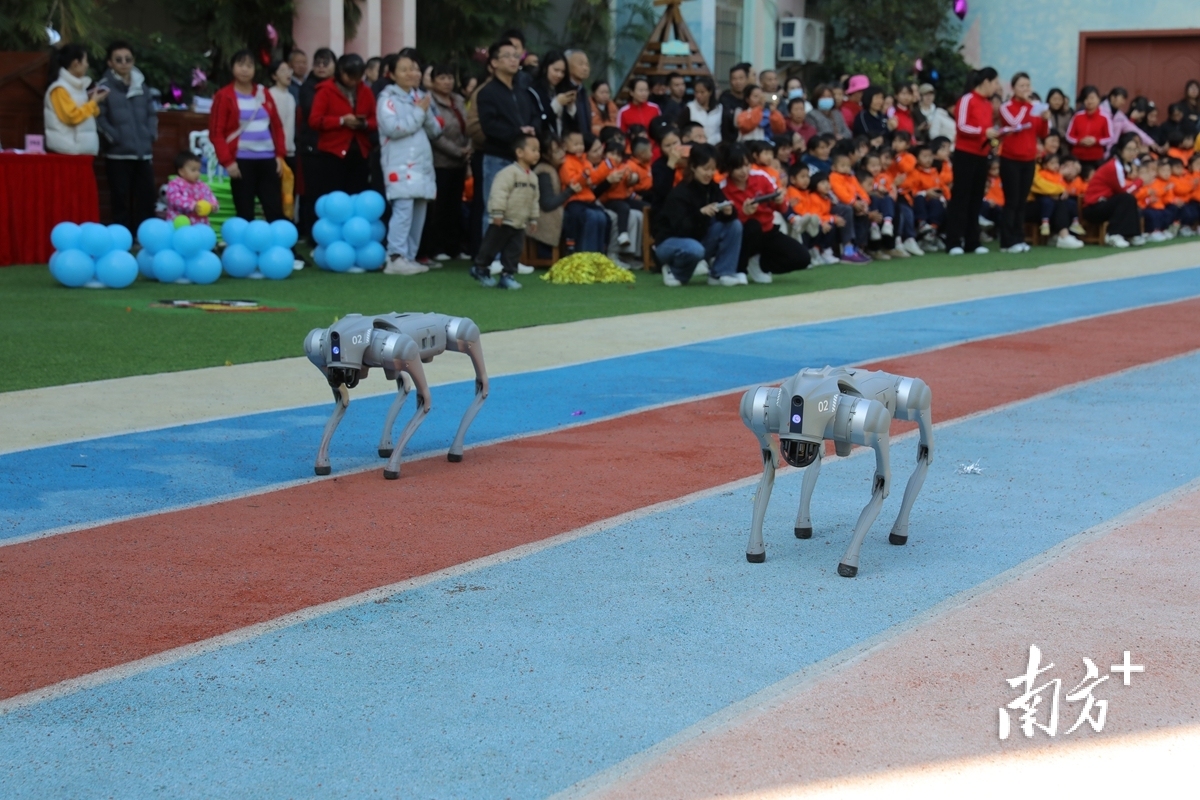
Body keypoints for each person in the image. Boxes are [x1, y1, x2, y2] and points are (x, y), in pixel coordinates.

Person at [377, 52, 442, 275]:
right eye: (404, 69)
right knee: (403, 211)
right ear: (392, 74)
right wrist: (419, 112)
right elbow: (394, 129)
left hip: (422, 164)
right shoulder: (387, 99)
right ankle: (395, 256)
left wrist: (425, 111)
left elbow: (435, 130)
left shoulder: (420, 97)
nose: (411, 73)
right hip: (400, 164)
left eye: (414, 69)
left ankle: (410, 257)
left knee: (419, 211)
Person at [208, 50, 287, 222]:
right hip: (241, 162)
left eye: (249, 65)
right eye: (241, 65)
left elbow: (277, 126)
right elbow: (216, 133)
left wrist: (280, 156)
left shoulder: (263, 93)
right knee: (245, 212)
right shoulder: (224, 96)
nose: (245, 69)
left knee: (274, 210)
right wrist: (228, 162)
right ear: (232, 67)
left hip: (268, 160)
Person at [654, 143, 743, 286]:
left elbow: (726, 213)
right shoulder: (680, 192)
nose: (709, 173)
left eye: (712, 169)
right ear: (693, 167)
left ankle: (721, 273)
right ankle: (674, 271)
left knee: (734, 225)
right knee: (695, 249)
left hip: (698, 240)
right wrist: (701, 213)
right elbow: (680, 228)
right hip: (670, 242)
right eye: (705, 169)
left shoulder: (712, 188)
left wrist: (728, 212)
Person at [719, 142, 809, 283]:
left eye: (746, 165)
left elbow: (781, 208)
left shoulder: (761, 177)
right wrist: (743, 213)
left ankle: (760, 264)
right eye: (737, 167)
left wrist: (779, 201)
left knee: (803, 258)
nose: (744, 171)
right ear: (728, 168)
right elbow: (726, 223)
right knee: (752, 225)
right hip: (743, 237)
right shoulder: (723, 187)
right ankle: (739, 270)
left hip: (768, 231)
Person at [476, 40, 538, 236]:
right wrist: (518, 132)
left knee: (517, 212)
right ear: (494, 63)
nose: (513, 60)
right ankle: (491, 254)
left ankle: (511, 254)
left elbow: (535, 116)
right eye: (507, 56)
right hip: (498, 158)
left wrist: (532, 129)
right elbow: (489, 126)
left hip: (521, 161)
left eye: (516, 56)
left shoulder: (522, 92)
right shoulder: (487, 92)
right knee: (495, 210)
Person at [95, 41, 158, 231]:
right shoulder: (103, 88)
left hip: (143, 152)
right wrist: (114, 138)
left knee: (146, 197)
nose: (124, 63)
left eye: (128, 59)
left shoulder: (141, 85)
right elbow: (98, 117)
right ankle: (122, 238)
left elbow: (151, 114)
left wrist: (150, 134)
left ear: (133, 61)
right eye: (119, 59)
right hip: (118, 154)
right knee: (120, 199)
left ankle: (145, 237)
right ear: (110, 63)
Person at [942, 67, 1001, 255]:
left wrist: (993, 140)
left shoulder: (987, 104)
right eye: (995, 82)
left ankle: (972, 241)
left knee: (976, 198)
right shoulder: (967, 99)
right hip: (965, 154)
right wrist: (983, 132)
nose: (997, 86)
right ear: (986, 82)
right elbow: (962, 126)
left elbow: (987, 130)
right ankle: (954, 241)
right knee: (961, 197)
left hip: (982, 155)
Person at [469, 134, 540, 289]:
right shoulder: (508, 173)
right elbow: (499, 193)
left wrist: (533, 218)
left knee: (514, 250)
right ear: (519, 152)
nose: (537, 154)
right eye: (533, 150)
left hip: (519, 223)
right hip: (503, 220)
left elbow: (534, 200)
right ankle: (480, 268)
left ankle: (507, 275)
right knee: (491, 246)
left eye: (538, 150)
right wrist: (498, 212)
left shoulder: (533, 178)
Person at [309, 54, 377, 213]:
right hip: (333, 152)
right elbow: (314, 120)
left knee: (357, 195)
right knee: (334, 196)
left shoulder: (366, 91)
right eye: (350, 76)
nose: (354, 81)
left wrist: (364, 124)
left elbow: (376, 120)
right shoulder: (325, 90)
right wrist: (340, 121)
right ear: (340, 72)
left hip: (359, 150)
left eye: (358, 77)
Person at [422, 64, 470, 262]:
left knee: (455, 206)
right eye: (441, 78)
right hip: (439, 161)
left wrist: (468, 148)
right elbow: (435, 135)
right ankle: (437, 247)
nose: (447, 82)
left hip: (460, 162)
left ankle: (454, 247)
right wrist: (457, 151)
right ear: (432, 81)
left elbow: (468, 126)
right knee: (439, 207)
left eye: (449, 78)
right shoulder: (429, 101)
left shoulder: (458, 100)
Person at [997, 72, 1048, 253]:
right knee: (1011, 201)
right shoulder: (1006, 107)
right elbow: (1014, 123)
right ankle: (1007, 241)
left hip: (1029, 159)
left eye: (1028, 85)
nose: (1026, 89)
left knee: (1022, 201)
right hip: (1010, 159)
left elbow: (1041, 133)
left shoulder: (1033, 107)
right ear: (1013, 88)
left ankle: (1019, 238)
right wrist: (1028, 106)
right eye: (1022, 86)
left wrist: (1045, 119)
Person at [296, 47, 336, 238]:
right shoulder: (308, 87)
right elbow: (313, 112)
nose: (321, 67)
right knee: (313, 194)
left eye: (325, 63)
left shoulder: (339, 85)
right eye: (317, 63)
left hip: (334, 147)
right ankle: (312, 234)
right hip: (312, 146)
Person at [1082, 132, 1145, 247]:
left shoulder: (1123, 165)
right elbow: (1124, 191)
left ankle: (1131, 234)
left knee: (1128, 200)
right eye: (1129, 149)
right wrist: (1140, 181)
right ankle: (1113, 234)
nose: (1132, 153)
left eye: (1134, 149)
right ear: (1120, 150)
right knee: (1126, 198)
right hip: (1093, 208)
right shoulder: (1115, 166)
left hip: (1104, 204)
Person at [43, 44, 104, 156]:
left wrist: (93, 101)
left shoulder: (78, 87)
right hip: (67, 150)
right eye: (86, 61)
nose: (87, 65)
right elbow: (71, 117)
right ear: (76, 63)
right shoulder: (60, 89)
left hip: (81, 150)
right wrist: (93, 102)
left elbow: (92, 114)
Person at [559, 129, 609, 253]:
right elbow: (571, 181)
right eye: (575, 144)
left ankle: (600, 254)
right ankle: (584, 255)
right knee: (591, 217)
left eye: (581, 143)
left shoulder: (584, 161)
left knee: (602, 217)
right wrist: (584, 177)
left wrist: (607, 166)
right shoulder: (566, 162)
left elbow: (594, 178)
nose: (580, 147)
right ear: (565, 146)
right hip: (574, 201)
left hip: (588, 200)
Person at [164, 151, 219, 225]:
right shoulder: (175, 184)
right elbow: (175, 199)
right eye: (193, 170)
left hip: (199, 222)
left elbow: (209, 195)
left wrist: (213, 205)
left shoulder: (201, 185)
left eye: (199, 170)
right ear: (181, 171)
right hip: (179, 222)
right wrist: (192, 205)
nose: (197, 173)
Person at [1066, 86, 1113, 171]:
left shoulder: (1105, 117)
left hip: (1096, 158)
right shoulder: (1077, 116)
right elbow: (1069, 136)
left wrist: (1095, 141)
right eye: (1086, 98)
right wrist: (1080, 141)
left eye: (1092, 98)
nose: (1089, 101)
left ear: (1098, 99)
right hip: (1077, 157)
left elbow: (1109, 137)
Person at [528, 51, 573, 140]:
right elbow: (538, 122)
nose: (559, 75)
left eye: (563, 72)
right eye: (556, 70)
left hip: (562, 142)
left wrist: (571, 107)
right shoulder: (533, 91)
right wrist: (556, 104)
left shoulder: (561, 90)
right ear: (546, 68)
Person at [266, 61, 297, 165]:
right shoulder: (270, 95)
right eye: (283, 71)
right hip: (274, 151)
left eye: (289, 70)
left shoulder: (290, 97)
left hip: (290, 150)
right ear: (274, 76)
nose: (288, 73)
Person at [681, 75, 722, 145]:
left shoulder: (720, 108)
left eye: (702, 92)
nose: (698, 95)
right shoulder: (689, 108)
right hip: (696, 146)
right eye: (696, 92)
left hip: (715, 145)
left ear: (710, 92)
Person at [718, 63, 751, 143]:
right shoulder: (724, 99)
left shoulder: (751, 98)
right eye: (734, 79)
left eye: (741, 78)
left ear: (747, 79)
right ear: (730, 81)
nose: (738, 82)